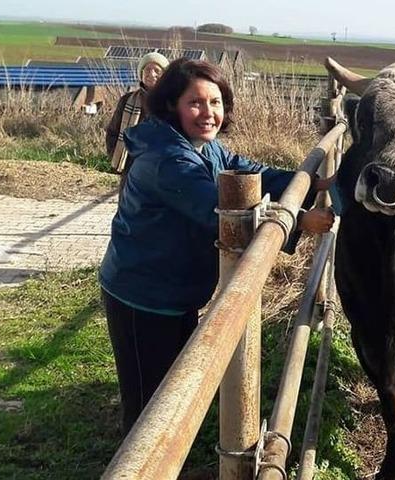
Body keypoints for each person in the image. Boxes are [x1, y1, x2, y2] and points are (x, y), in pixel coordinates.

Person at [99, 58, 335, 432]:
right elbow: (223, 214)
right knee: (147, 403)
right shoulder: (168, 159)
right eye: (195, 102)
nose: (208, 113)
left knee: (169, 390)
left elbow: (246, 171)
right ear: (172, 104)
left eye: (216, 102)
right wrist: (300, 220)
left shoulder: (200, 146)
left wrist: (310, 182)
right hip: (142, 294)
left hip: (173, 289)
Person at [105, 51, 169, 175]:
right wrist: (116, 154)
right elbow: (113, 131)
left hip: (162, 168)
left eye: (157, 70)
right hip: (131, 167)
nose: (151, 74)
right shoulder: (127, 100)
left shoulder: (171, 102)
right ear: (141, 73)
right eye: (147, 69)